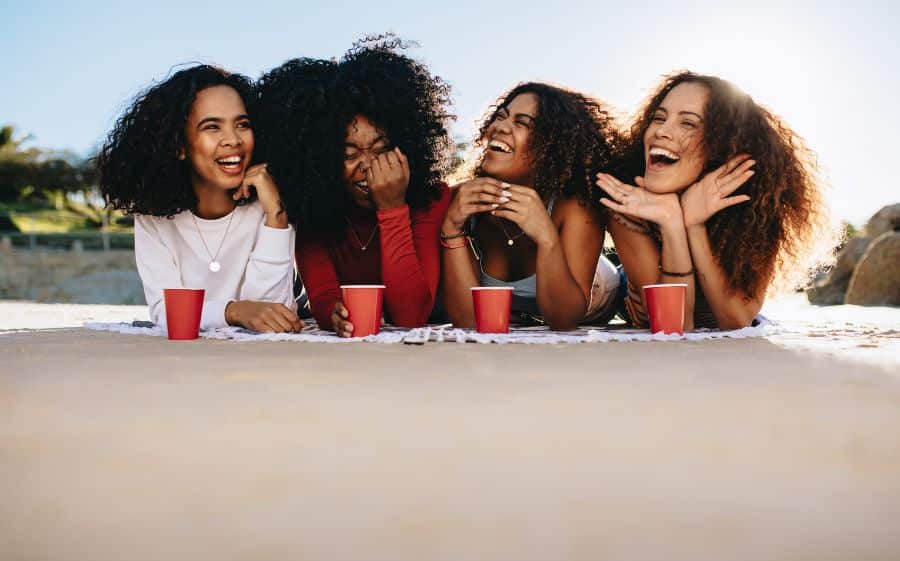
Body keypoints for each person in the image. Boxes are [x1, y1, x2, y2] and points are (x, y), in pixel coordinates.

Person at [596, 71, 838, 330]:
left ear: (720, 147)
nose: (662, 132)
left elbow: (736, 319)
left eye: (688, 123)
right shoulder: (628, 199)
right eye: (659, 118)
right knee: (601, 283)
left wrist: (693, 225)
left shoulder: (759, 207)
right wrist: (672, 224)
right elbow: (672, 325)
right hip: (618, 289)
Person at [257, 36, 454, 336]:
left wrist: (392, 208)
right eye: (348, 154)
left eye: (381, 148)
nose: (367, 164)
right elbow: (323, 297)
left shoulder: (433, 198)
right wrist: (333, 313)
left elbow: (410, 316)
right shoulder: (313, 209)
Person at [98, 65, 300, 333]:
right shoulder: (153, 217)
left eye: (242, 124)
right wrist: (234, 311)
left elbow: (272, 316)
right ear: (180, 145)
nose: (233, 139)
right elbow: (166, 311)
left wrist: (277, 216)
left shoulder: (270, 202)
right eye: (212, 127)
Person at [441, 82, 622, 331]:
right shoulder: (461, 202)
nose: (500, 127)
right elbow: (468, 321)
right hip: (514, 320)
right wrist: (452, 226)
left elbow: (564, 319)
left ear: (552, 148)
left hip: (597, 292)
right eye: (501, 116)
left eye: (521, 123)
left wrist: (547, 238)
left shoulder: (574, 209)